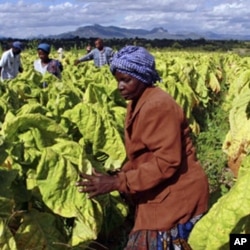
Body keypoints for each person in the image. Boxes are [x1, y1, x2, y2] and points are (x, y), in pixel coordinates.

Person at [75, 46, 209, 250]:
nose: (120, 86)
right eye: (117, 80)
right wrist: (119, 174)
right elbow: (144, 154)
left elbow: (167, 161)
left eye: (126, 80)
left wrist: (118, 182)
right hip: (159, 190)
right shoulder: (137, 101)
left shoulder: (158, 105)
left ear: (143, 77)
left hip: (176, 193)